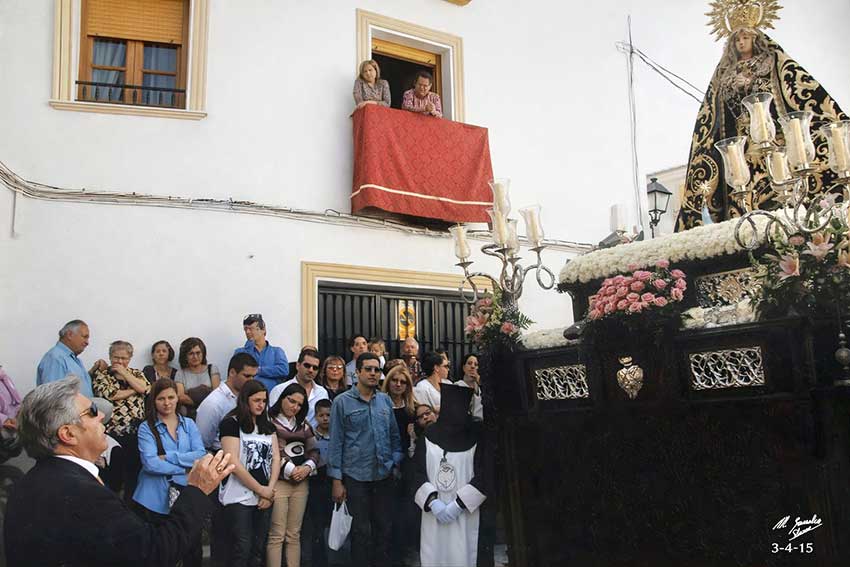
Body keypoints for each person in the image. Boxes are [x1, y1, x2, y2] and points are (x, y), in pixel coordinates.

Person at [4, 376, 235, 567]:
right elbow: (153, 553)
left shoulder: (30, 482)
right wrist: (197, 489)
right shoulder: (83, 493)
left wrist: (169, 460)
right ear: (68, 434)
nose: (102, 415)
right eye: (92, 411)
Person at [676, 5, 847, 230]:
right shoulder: (724, 75)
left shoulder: (773, 62)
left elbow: (799, 93)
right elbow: (712, 115)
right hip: (742, 149)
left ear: (755, 39)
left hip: (775, 142)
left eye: (745, 37)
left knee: (782, 189)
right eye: (737, 40)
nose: (741, 43)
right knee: (744, 190)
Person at [328, 352, 403, 567]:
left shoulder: (385, 401)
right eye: (368, 369)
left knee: (384, 529)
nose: (373, 373)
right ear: (357, 372)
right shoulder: (342, 402)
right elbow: (336, 443)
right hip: (355, 477)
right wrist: (336, 480)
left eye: (376, 370)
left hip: (383, 475)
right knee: (361, 532)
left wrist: (394, 461)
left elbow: (394, 436)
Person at [133, 378, 207, 567]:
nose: (167, 403)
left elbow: (200, 454)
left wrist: (169, 456)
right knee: (160, 554)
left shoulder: (189, 424)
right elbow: (150, 464)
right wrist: (185, 468)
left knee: (193, 552)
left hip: (186, 495)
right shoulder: (146, 427)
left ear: (177, 398)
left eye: (171, 397)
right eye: (161, 399)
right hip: (154, 499)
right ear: (154, 401)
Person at [195, 352, 259, 567]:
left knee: (242, 533)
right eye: (247, 376)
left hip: (244, 466)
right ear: (232, 372)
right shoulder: (214, 403)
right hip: (220, 465)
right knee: (222, 529)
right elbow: (203, 442)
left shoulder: (247, 398)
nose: (251, 381)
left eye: (254, 376)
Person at [414, 384, 487, 567]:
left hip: (465, 514)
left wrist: (458, 504)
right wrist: (433, 502)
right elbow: (416, 472)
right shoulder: (428, 436)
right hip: (433, 514)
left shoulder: (476, 437)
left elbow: (485, 474)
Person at [219, 380, 280, 567]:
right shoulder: (231, 423)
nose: (261, 405)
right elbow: (233, 462)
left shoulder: (268, 426)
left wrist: (269, 491)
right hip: (238, 496)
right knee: (241, 548)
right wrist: (261, 490)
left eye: (264, 401)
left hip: (264, 496)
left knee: (257, 550)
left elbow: (276, 458)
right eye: (256, 400)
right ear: (245, 400)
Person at [91, 340, 150, 499]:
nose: (119, 361)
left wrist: (126, 374)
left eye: (124, 358)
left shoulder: (136, 373)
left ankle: (132, 505)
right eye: (116, 357)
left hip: (136, 432)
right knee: (113, 474)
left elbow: (145, 388)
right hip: (112, 433)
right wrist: (134, 390)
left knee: (134, 472)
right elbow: (111, 394)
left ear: (129, 358)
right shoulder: (103, 375)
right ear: (110, 357)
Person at [267, 382, 317, 567]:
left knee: (294, 534)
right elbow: (270, 452)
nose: (294, 407)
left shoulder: (303, 424)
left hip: (301, 482)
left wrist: (307, 468)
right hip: (279, 482)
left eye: (299, 404)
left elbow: (314, 450)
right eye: (291, 401)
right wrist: (290, 469)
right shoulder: (269, 422)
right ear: (282, 398)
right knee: (277, 534)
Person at [381, 364, 417, 565]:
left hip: (407, 464)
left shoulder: (412, 408)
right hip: (384, 462)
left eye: (403, 382)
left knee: (404, 512)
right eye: (394, 380)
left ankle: (401, 555)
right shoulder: (380, 404)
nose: (398, 384)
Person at [37, 319, 106, 398]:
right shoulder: (55, 358)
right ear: (70, 335)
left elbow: (78, 385)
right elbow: (54, 397)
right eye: (84, 337)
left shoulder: (73, 359)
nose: (87, 342)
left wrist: (93, 371)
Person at [302, 397, 332, 567]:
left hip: (332, 481)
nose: (325, 418)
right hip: (315, 481)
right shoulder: (311, 435)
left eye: (328, 415)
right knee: (316, 523)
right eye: (321, 415)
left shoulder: (337, 435)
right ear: (316, 416)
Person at [270, 347, 329, 429]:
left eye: (315, 368)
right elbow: (272, 416)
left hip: (315, 435)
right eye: (307, 365)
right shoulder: (279, 389)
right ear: (298, 365)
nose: (311, 370)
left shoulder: (322, 393)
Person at [235, 313, 290, 392]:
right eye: (245, 329)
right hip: (248, 395)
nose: (247, 332)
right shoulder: (240, 352)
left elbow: (284, 370)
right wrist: (249, 347)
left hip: (271, 395)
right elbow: (239, 374)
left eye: (251, 328)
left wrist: (259, 370)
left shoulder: (276, 352)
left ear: (263, 330)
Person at [175, 337, 221, 418]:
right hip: (190, 415)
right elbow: (180, 397)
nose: (195, 357)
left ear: (203, 353)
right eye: (191, 354)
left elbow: (216, 394)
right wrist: (202, 400)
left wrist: (192, 397)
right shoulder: (180, 373)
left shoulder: (212, 369)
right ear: (185, 356)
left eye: (198, 353)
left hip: (211, 413)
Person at [413, 351, 453, 415]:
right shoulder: (422, 387)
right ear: (436, 368)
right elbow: (424, 411)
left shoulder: (448, 383)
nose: (448, 369)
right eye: (445, 366)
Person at [0, 367, 22, 464]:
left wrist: (19, 412)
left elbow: (15, 400)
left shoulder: (3, 376)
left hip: (11, 424)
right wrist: (4, 420)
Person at [456, 353, 483, 420]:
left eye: (476, 364)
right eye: (469, 363)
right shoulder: (457, 386)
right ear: (463, 368)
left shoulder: (481, 388)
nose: (473, 366)